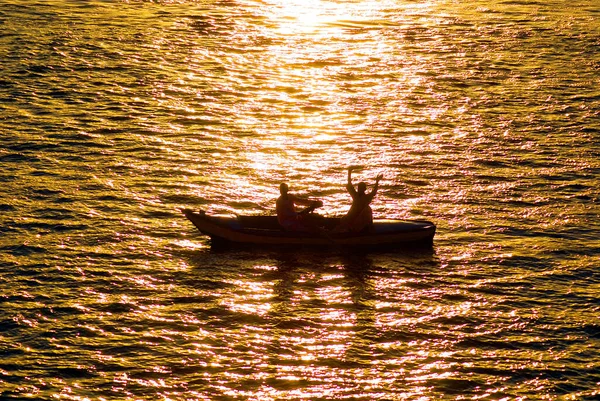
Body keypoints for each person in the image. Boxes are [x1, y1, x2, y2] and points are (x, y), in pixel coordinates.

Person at [335, 166, 383, 233]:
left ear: (364, 189)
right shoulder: (355, 195)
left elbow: (374, 192)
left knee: (366, 212)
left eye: (361, 188)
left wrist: (377, 182)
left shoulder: (367, 197)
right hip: (352, 216)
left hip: (361, 220)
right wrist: (349, 172)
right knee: (343, 220)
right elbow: (349, 184)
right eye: (359, 188)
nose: (359, 189)